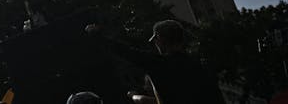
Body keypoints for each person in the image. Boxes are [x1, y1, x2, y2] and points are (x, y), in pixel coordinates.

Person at [85, 20, 224, 104]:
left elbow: (126, 51)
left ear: (159, 38)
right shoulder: (200, 66)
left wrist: (97, 35)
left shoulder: (160, 64)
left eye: (155, 40)